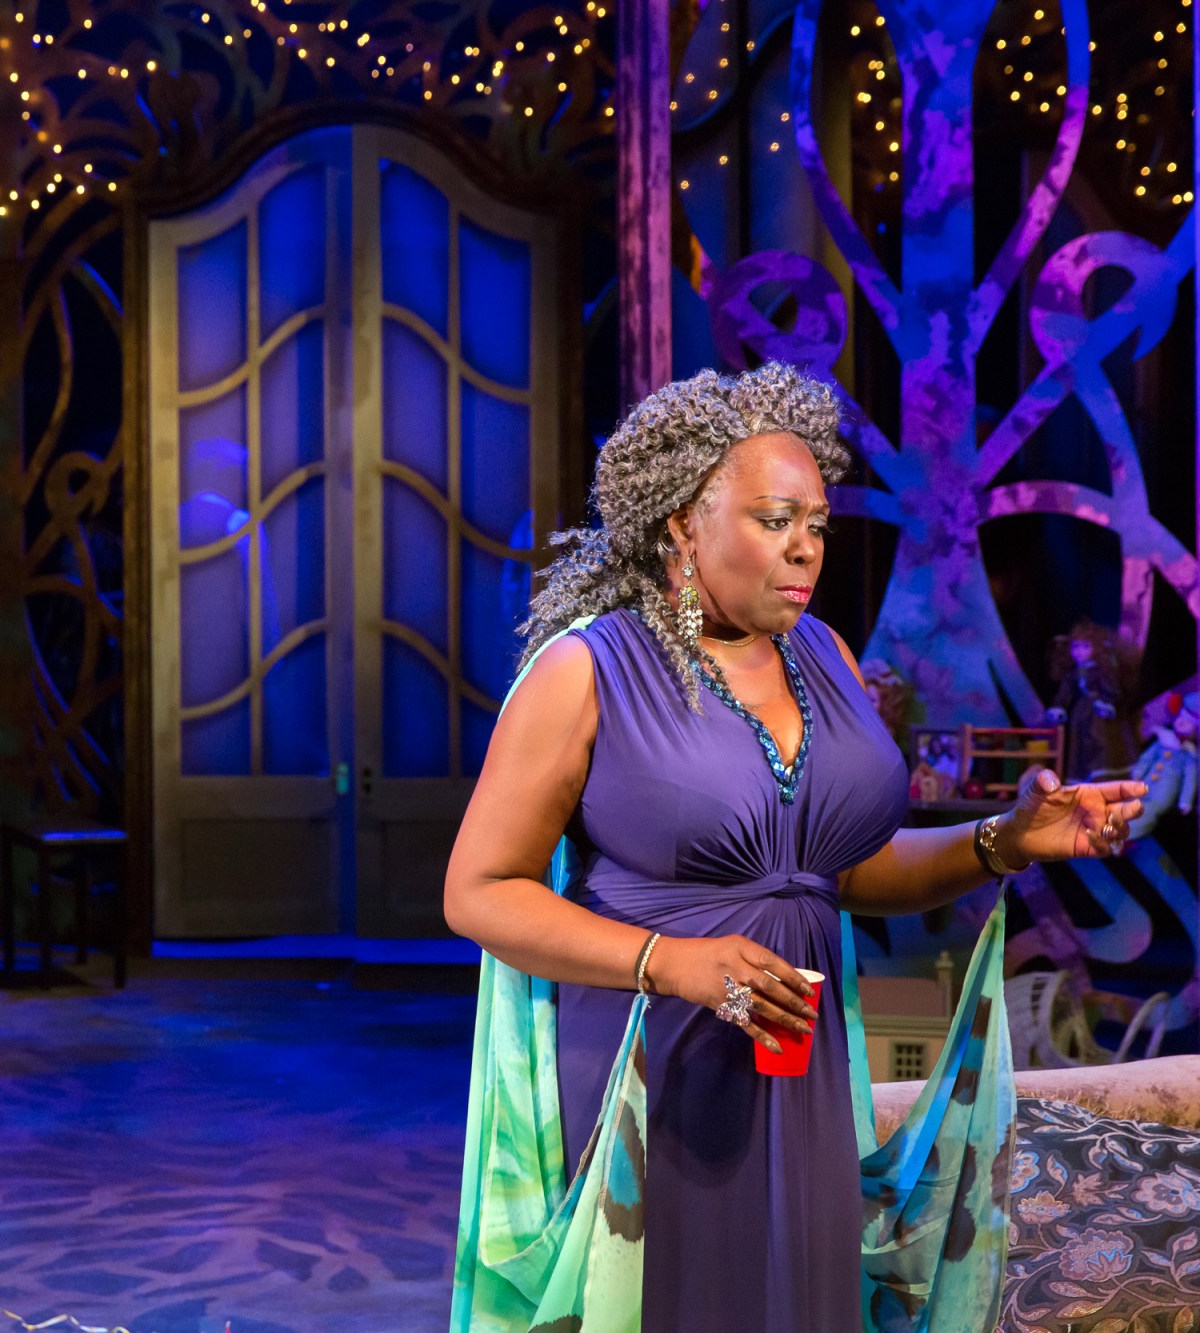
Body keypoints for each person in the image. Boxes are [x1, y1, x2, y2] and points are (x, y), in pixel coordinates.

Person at [443, 364, 1146, 1331]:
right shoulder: (588, 669)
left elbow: (835, 872)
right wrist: (671, 962)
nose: (805, 546)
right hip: (655, 1067)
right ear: (683, 524)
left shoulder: (825, 656)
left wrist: (1001, 841)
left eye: (816, 522)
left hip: (799, 1063)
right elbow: (479, 890)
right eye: (775, 520)